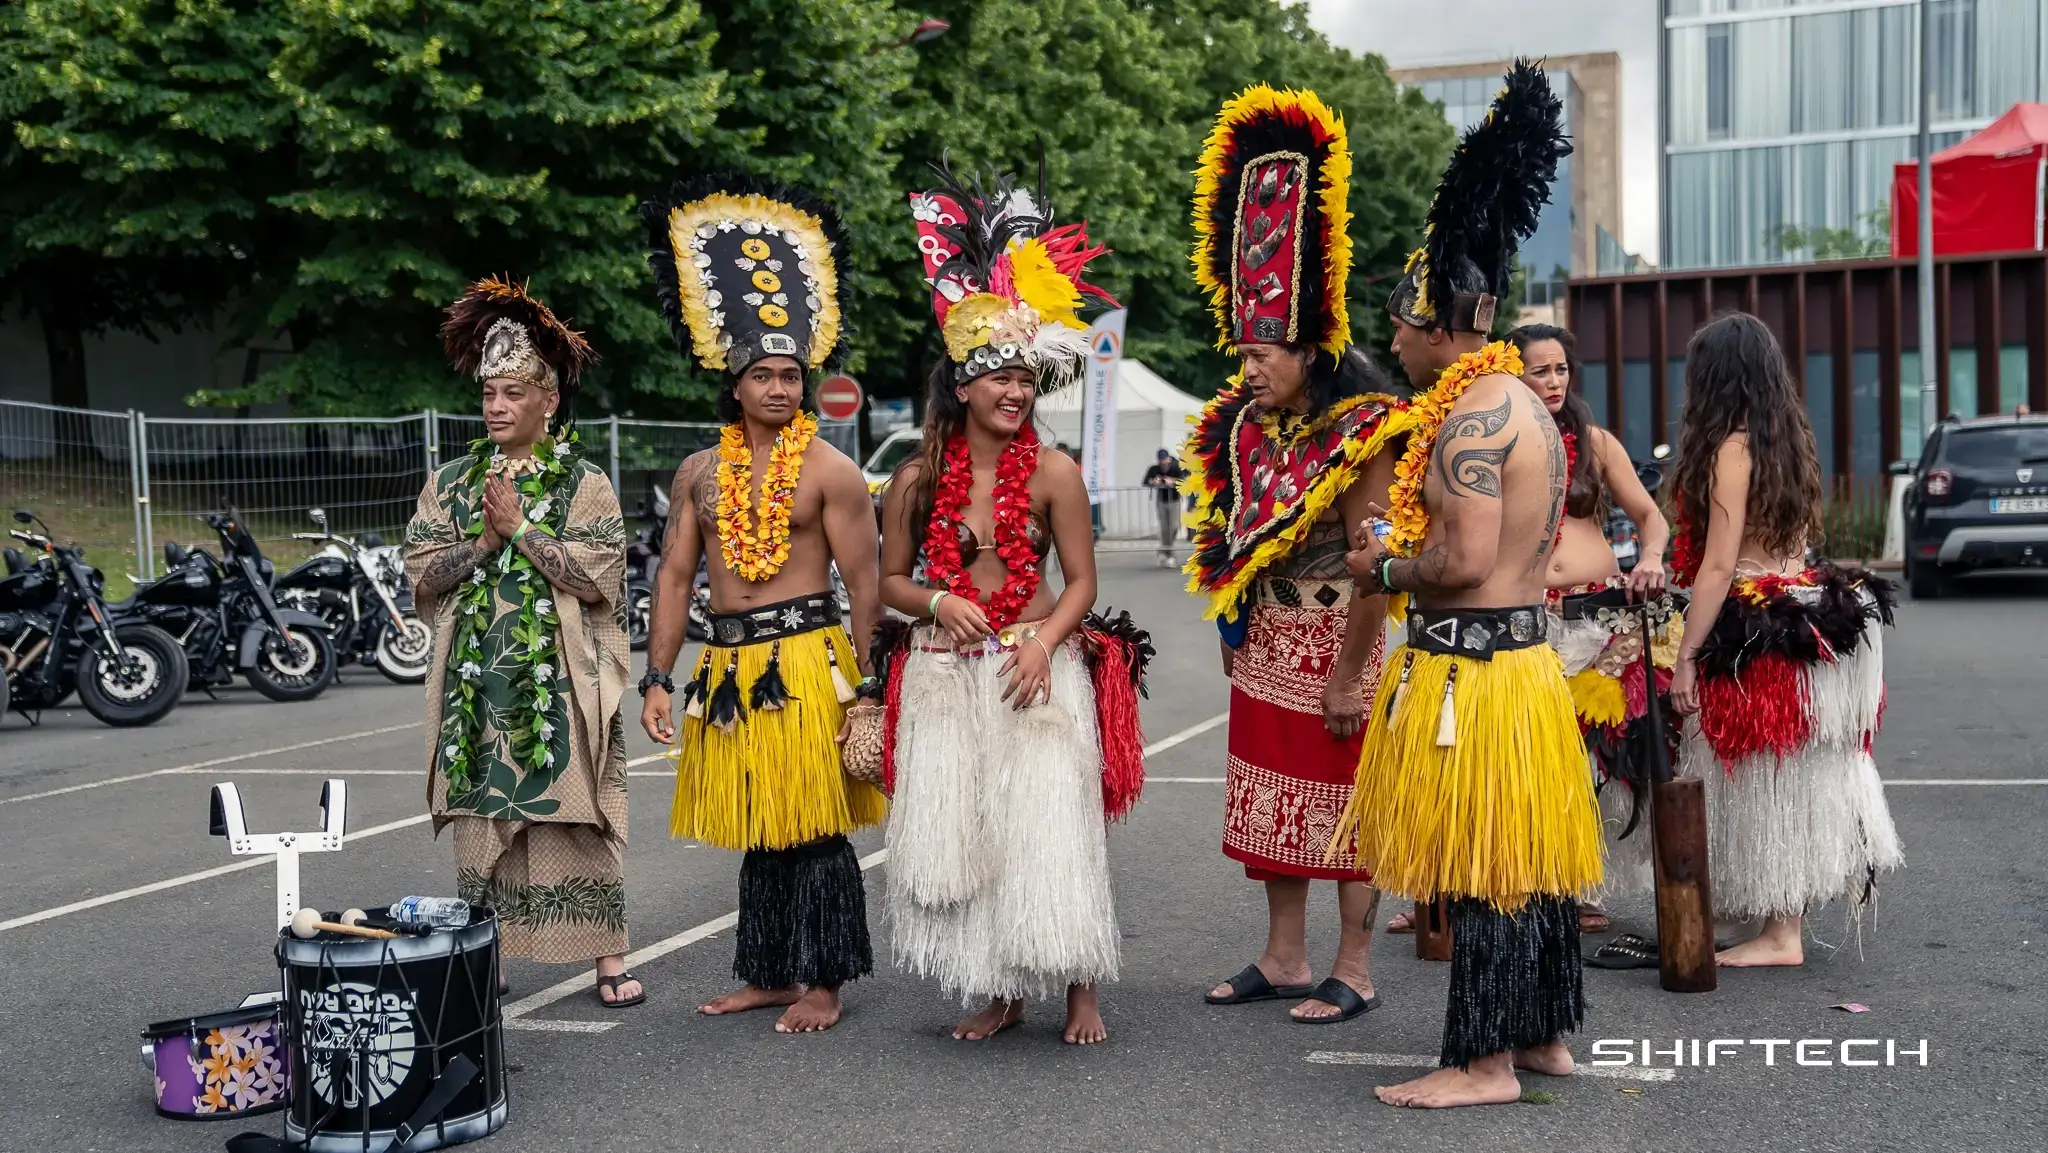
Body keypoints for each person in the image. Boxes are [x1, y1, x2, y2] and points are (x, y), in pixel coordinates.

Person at [1336, 61, 1598, 1109]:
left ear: (1437, 317)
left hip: (1477, 684)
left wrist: (1382, 565)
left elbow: (1463, 561)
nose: (1388, 338)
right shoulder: (1520, 404)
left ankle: (1481, 1063)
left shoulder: (1471, 416)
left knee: (1488, 864)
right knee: (1523, 860)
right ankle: (1538, 1039)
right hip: (1520, 671)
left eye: (1398, 321)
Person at [870, 161, 1147, 1045]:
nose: (1016, 393)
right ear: (963, 385)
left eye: (1026, 381)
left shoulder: (1055, 474)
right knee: (975, 837)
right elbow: (888, 582)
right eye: (1000, 380)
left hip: (1035, 665)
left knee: (1052, 829)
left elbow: (1084, 584)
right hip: (949, 675)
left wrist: (1042, 645)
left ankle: (1079, 987)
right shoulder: (915, 480)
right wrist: (939, 598)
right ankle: (1000, 987)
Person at [1184, 85, 1414, 1025]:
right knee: (1271, 807)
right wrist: (1235, 624)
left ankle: (1353, 965)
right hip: (1269, 637)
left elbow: (1373, 561)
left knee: (1348, 811)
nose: (1249, 369)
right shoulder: (1237, 428)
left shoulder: (1362, 431)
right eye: (1242, 351)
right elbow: (1225, 534)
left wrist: (1351, 674)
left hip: (1338, 641)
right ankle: (1284, 955)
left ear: (1311, 350)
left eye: (1265, 352)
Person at [638, 176, 885, 1032]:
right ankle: (770, 969)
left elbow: (866, 583)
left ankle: (824, 980)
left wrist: (868, 691)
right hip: (729, 666)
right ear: (735, 384)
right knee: (759, 824)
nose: (782, 388)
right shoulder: (699, 474)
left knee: (815, 826)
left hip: (810, 661)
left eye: (792, 375)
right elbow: (676, 579)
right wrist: (657, 677)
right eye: (765, 375)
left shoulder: (832, 472)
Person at [405, 277, 642, 1007]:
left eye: (514, 393)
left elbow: (599, 575)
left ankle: (607, 956)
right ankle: (490, 954)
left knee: (577, 812)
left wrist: (524, 531)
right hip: (477, 685)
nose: (499, 407)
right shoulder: (452, 483)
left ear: (548, 401)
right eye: (490, 395)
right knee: (482, 822)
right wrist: (482, 541)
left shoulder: (585, 482)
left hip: (562, 681)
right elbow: (422, 573)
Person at [1667, 312, 1901, 968]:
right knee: (1786, 780)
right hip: (1795, 621)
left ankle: (1781, 935)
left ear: (1714, 379)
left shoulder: (1729, 451)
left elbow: (1717, 565)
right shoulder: (1788, 441)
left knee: (1764, 778)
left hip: (1754, 632)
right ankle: (1777, 923)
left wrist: (1687, 656)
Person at [1514, 322, 1674, 934]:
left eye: (1561, 369)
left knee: (1590, 761)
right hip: (1524, 619)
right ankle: (1507, 880)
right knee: (1526, 753)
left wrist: (1652, 558)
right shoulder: (1498, 438)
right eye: (1539, 370)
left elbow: (1650, 517)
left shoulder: (1595, 441)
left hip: (1592, 621)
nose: (1554, 382)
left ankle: (1579, 884)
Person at [1142, 448, 1184, 567]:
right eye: (1161, 460)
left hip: (1174, 500)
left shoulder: (1176, 467)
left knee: (1174, 526)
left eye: (1165, 459)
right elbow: (1145, 481)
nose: (1163, 462)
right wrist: (1153, 482)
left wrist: (1173, 481)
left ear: (1169, 459)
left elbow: (1185, 479)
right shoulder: (1154, 469)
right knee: (1165, 528)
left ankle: (1164, 550)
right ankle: (1169, 554)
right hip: (1161, 501)